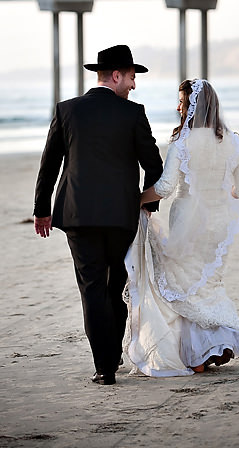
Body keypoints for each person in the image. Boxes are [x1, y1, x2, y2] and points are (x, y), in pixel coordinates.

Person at [33, 45, 164, 385]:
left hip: (77, 215)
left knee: (91, 288)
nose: (134, 85)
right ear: (117, 75)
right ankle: (112, 355)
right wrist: (148, 206)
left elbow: (49, 165)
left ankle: (104, 367)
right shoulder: (133, 114)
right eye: (132, 78)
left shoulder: (67, 111)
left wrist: (42, 210)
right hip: (122, 216)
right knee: (115, 286)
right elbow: (155, 167)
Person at [126, 78, 239, 376]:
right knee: (209, 283)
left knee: (184, 285)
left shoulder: (183, 142)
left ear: (194, 107)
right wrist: (223, 193)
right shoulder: (234, 140)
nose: (178, 107)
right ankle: (216, 344)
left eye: (182, 102)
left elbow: (166, 187)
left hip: (187, 222)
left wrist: (136, 200)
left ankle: (197, 354)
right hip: (220, 224)